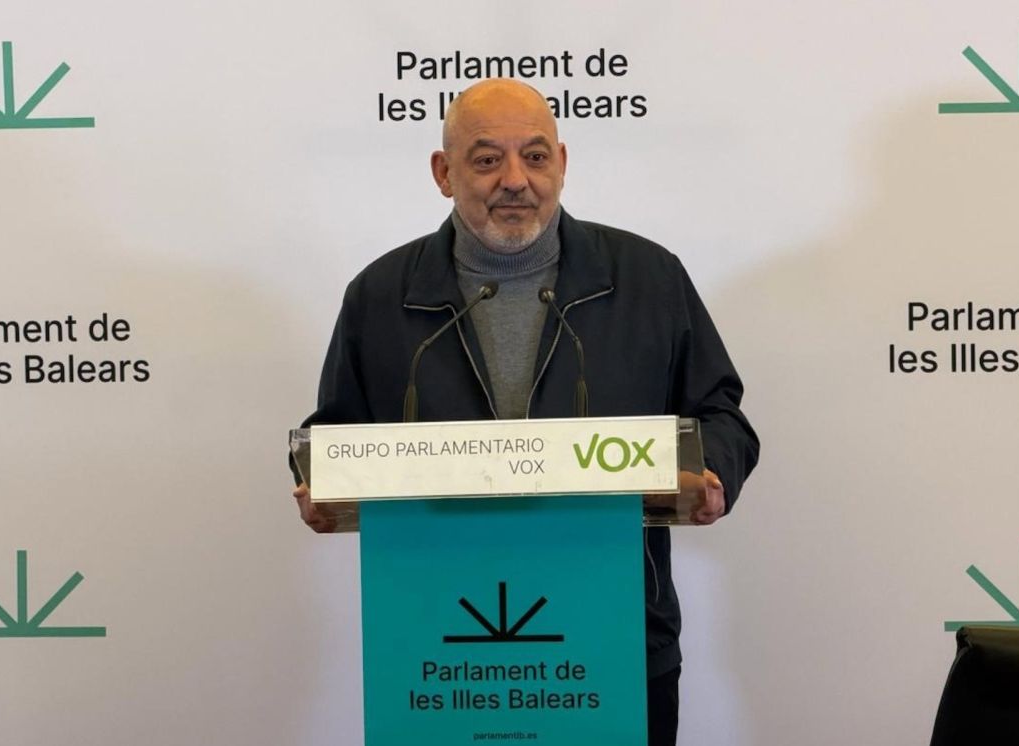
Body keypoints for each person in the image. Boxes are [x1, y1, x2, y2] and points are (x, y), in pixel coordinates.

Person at [292, 78, 759, 746]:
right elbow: (335, 433)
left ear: (561, 163)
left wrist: (712, 472)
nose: (515, 179)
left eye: (535, 157)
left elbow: (719, 413)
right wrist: (318, 485)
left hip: (616, 639)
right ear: (443, 173)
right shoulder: (380, 296)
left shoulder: (649, 279)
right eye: (487, 159)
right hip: (441, 650)